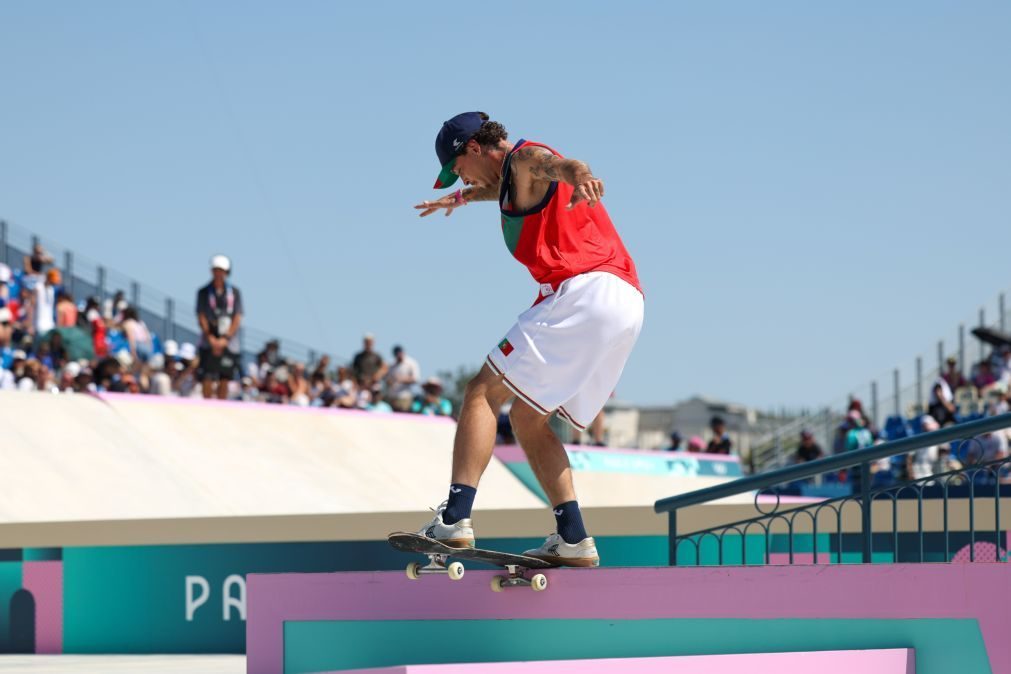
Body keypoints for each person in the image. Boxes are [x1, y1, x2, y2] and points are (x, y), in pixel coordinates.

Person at [410, 112, 644, 566]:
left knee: (481, 391)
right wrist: (458, 198)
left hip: (585, 291)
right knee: (527, 417)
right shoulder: (509, 184)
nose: (461, 176)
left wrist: (581, 175)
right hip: (626, 302)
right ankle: (573, 537)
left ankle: (455, 517)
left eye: (458, 168)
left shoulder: (523, 160)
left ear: (473, 148)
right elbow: (494, 189)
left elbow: (553, 165)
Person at [196, 255, 243, 399]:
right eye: (216, 270)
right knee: (207, 375)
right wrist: (210, 337)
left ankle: (221, 406)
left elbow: (237, 316)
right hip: (209, 338)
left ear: (227, 272)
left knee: (225, 376)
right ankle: (206, 406)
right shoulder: (204, 292)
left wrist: (226, 338)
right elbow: (201, 315)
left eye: (222, 271)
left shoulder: (234, 292)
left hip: (228, 339)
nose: (219, 274)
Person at [384, 345, 420, 411]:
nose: (399, 355)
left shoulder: (411, 363)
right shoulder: (391, 365)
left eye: (400, 353)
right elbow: (387, 379)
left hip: (405, 397)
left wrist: (401, 379)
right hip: (392, 397)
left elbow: (415, 379)